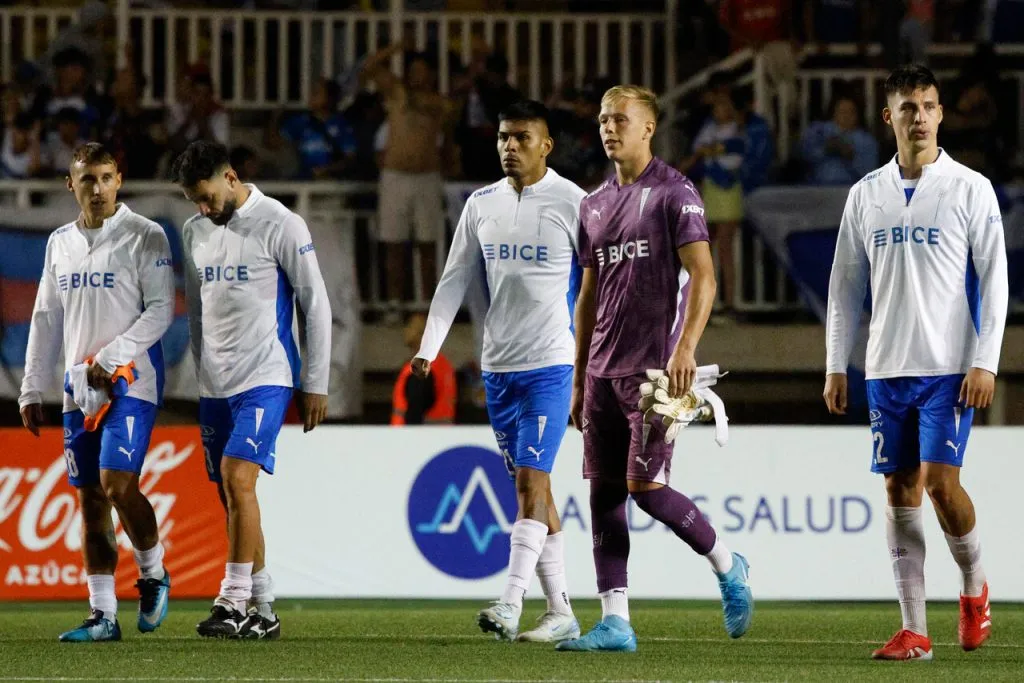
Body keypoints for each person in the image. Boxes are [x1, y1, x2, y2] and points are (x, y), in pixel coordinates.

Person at [557, 85, 753, 653]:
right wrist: (577, 375)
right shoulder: (592, 205)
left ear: (649, 128)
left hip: (655, 376)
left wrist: (686, 348)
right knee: (603, 494)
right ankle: (615, 621)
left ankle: (727, 563)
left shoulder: (676, 193)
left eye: (621, 119)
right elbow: (588, 295)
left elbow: (706, 276)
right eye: (602, 119)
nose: (608, 128)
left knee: (645, 488)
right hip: (599, 373)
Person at [824, 64, 1008, 661]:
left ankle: (975, 587)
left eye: (929, 106)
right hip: (885, 368)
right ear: (889, 117)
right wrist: (835, 363)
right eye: (908, 108)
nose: (920, 117)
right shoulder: (865, 195)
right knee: (899, 489)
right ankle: (915, 631)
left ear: (941, 113)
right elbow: (845, 287)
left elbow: (996, 281)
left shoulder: (970, 188)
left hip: (950, 366)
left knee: (940, 486)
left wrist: (986, 360)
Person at [413, 100, 584, 644]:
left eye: (522, 138)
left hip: (553, 364)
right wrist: (428, 347)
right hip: (498, 368)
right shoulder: (480, 204)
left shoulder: (575, 202)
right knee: (531, 489)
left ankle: (510, 602)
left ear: (546, 145)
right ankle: (561, 611)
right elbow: (455, 277)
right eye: (504, 138)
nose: (511, 147)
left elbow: (607, 282)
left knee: (532, 479)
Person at [172, 141, 331, 640]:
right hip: (215, 383)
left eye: (207, 196)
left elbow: (316, 304)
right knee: (231, 495)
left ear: (231, 178)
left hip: (266, 374)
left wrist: (316, 382)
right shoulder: (195, 230)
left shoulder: (281, 223)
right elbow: (198, 311)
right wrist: (200, 371)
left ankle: (232, 600)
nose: (203, 208)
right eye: (194, 200)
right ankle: (263, 608)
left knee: (238, 477)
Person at [19, 142, 174, 642]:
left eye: (107, 177)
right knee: (89, 501)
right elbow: (45, 318)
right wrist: (30, 387)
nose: (99, 188)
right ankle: (102, 614)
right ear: (72, 184)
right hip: (75, 389)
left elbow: (160, 311)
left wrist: (111, 358)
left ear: (120, 180)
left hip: (132, 381)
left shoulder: (145, 236)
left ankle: (153, 572)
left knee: (115, 485)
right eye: (89, 179)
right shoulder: (59, 242)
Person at [361, 43, 455, 324]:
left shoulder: (440, 103)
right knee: (393, 243)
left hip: (427, 177)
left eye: (422, 71)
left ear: (432, 75)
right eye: (412, 70)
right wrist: (395, 48)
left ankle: (427, 306)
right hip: (395, 177)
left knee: (427, 245)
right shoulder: (396, 93)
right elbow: (369, 68)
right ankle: (393, 305)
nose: (416, 76)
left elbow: (441, 113)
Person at [391, 312, 456, 425]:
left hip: (415, 437)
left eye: (410, 326)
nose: (406, 331)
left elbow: (416, 408)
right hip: (441, 434)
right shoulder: (441, 363)